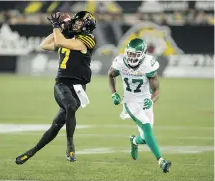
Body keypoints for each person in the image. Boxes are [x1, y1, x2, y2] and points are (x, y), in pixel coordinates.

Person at [15, 11, 96, 164]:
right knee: (70, 106)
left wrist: (57, 28)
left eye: (80, 22)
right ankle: (70, 144)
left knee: (56, 125)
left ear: (88, 25)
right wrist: (61, 30)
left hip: (79, 89)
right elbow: (44, 45)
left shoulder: (88, 39)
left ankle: (32, 152)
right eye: (76, 21)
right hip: (62, 84)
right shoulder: (66, 35)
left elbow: (60, 43)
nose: (76, 23)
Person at [108, 38, 172, 173]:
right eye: (130, 53)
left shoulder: (149, 64)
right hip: (130, 101)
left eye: (135, 54)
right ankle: (161, 161)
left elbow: (156, 91)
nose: (131, 57)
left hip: (145, 100)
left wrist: (152, 100)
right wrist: (114, 93)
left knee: (145, 137)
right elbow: (111, 74)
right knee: (147, 128)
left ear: (142, 54)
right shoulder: (120, 61)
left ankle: (134, 141)